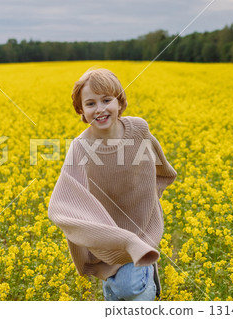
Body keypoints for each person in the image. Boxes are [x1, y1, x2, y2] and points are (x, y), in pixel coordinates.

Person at [47, 68, 177, 301]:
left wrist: (149, 201)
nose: (100, 109)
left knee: (128, 288)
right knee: (118, 289)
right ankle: (138, 277)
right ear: (82, 111)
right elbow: (61, 204)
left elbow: (163, 170)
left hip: (141, 231)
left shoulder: (139, 130)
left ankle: (145, 272)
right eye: (90, 103)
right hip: (107, 236)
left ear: (120, 102)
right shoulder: (80, 148)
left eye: (107, 100)